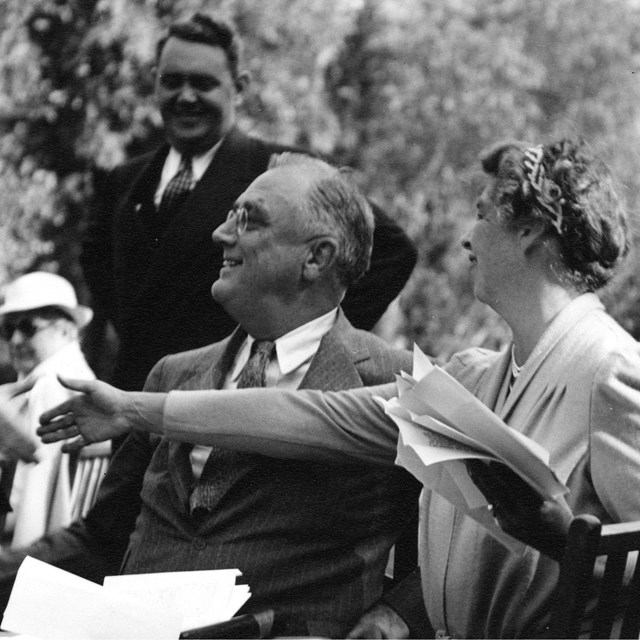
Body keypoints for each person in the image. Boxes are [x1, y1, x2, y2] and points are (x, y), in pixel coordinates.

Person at [41, 138, 640, 638]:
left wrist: (563, 537)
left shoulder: (610, 370)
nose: (466, 238)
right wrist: (130, 407)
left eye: (482, 214)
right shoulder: (474, 377)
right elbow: (311, 419)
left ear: (531, 230)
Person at [0, 154, 421, 638]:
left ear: (316, 258)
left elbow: (440, 550)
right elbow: (101, 538)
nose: (221, 235)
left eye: (249, 220)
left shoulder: (396, 383)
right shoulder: (171, 375)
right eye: (228, 215)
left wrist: (399, 614)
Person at [82, 12, 416, 395]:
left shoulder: (280, 174)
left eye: (203, 84)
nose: (185, 97)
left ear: (238, 88)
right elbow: (98, 266)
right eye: (171, 82)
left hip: (230, 400)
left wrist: (304, 342)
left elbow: (392, 250)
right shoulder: (123, 182)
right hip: (136, 397)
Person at [0, 272, 99, 548]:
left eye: (29, 327)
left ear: (67, 329)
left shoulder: (49, 387)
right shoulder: (82, 380)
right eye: (8, 330)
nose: (16, 340)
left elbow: (23, 500)